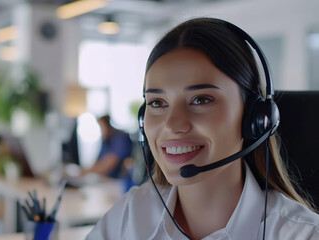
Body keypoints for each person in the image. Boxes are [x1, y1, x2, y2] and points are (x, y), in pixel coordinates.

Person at [86, 18, 319, 239]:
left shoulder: (302, 235)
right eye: (157, 103)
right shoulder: (130, 216)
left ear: (255, 118)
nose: (173, 125)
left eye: (201, 100)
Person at [81, 115, 133, 179]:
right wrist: (85, 171)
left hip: (120, 181)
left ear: (108, 126)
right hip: (107, 179)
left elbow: (110, 163)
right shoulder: (105, 140)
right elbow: (99, 160)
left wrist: (87, 172)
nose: (101, 131)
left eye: (101, 128)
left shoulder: (121, 138)